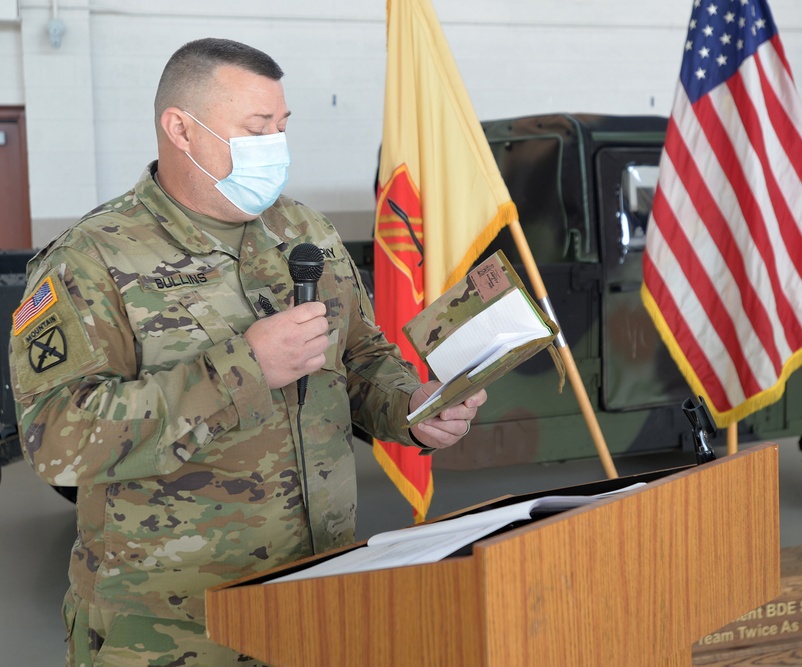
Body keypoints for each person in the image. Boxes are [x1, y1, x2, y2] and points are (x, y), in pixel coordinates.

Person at [8, 37, 484, 667]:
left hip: (319, 596)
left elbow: (362, 356)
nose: (275, 145)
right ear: (180, 129)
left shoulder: (304, 231)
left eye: (282, 126)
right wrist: (244, 368)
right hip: (173, 629)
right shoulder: (88, 260)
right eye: (257, 128)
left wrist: (413, 407)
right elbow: (57, 440)